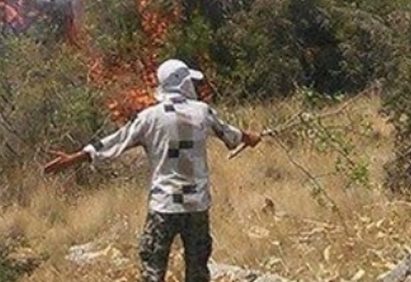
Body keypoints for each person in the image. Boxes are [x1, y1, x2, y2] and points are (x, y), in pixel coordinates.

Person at [43, 58, 261, 282]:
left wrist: (76, 158)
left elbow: (114, 142)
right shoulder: (202, 112)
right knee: (197, 273)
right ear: (184, 83)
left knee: (152, 273)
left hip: (164, 206)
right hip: (196, 206)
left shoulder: (149, 117)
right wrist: (251, 137)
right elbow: (231, 135)